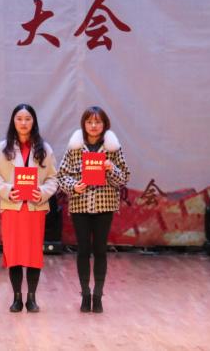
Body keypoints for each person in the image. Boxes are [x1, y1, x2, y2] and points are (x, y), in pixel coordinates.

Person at [57, 106, 130, 313]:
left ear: (104, 124)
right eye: (89, 122)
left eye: (98, 122)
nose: (94, 126)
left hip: (104, 206)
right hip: (80, 206)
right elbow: (61, 175)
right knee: (83, 250)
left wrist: (111, 168)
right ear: (84, 125)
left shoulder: (112, 148)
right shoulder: (75, 148)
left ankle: (98, 295)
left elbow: (124, 177)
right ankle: (85, 294)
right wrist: (74, 186)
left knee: (100, 250)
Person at [0, 104, 57, 313]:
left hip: (35, 209)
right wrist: (8, 190)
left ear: (33, 121)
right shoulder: (3, 148)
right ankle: (17, 297)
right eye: (19, 119)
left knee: (34, 254)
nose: (24, 123)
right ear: (13, 121)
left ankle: (32, 298)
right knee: (15, 254)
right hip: (13, 208)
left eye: (28, 119)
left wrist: (42, 192)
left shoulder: (44, 149)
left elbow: (53, 178)